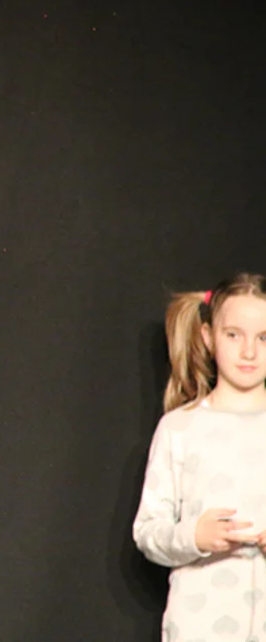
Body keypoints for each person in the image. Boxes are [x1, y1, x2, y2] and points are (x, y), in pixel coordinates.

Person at [133, 272, 266, 641]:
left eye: (263, 337)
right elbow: (148, 531)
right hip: (199, 625)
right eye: (233, 335)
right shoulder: (179, 428)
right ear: (208, 337)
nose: (249, 352)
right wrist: (194, 536)